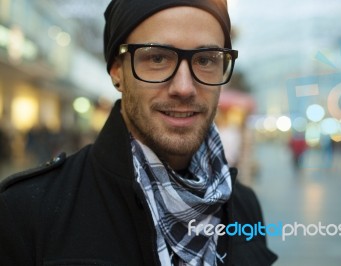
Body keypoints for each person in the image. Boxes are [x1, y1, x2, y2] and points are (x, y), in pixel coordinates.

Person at [0, 0, 278, 265]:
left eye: (205, 60)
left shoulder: (243, 206)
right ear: (117, 70)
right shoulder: (27, 211)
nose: (184, 87)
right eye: (157, 58)